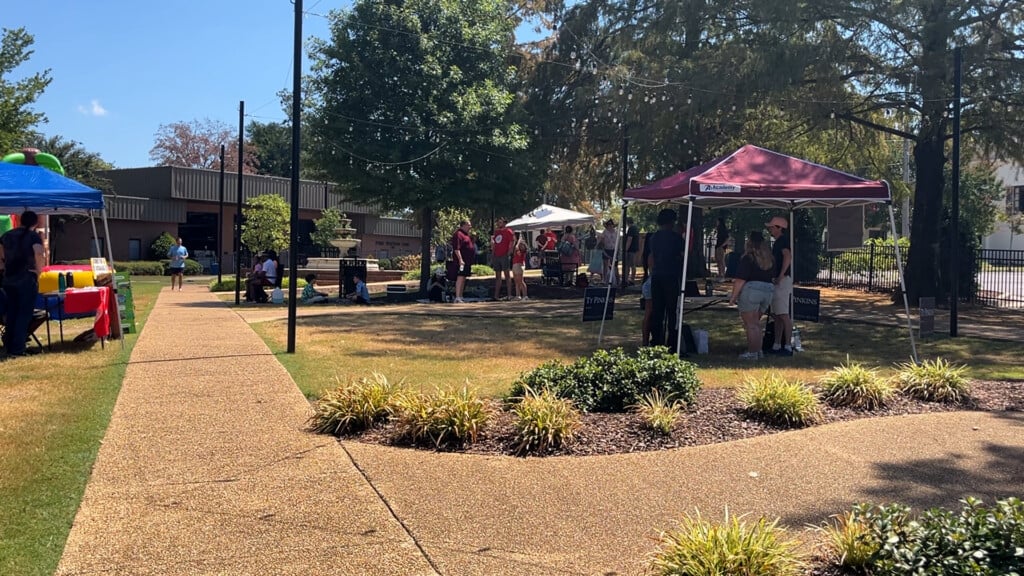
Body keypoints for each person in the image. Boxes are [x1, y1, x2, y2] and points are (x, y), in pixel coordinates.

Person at [0, 210, 45, 357]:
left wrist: (3, 268)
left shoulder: (6, 236)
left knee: (11, 312)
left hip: (9, 278)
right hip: (27, 277)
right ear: (35, 223)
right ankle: (18, 348)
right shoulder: (34, 237)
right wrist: (39, 272)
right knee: (24, 313)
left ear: (20, 221)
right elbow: (38, 254)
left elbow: (1, 256)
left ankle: (8, 344)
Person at [728, 231, 775, 360]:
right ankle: (758, 351)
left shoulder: (748, 257)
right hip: (768, 290)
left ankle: (752, 352)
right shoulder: (769, 259)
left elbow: (740, 279)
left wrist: (733, 297)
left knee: (750, 324)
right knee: (756, 323)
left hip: (752, 290)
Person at [646, 209, 685, 352]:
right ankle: (673, 343)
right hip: (671, 275)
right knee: (672, 311)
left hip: (657, 275)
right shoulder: (676, 238)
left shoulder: (654, 237)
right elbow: (683, 255)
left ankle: (656, 340)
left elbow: (652, 256)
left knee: (657, 310)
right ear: (672, 222)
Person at [766, 215, 794, 356]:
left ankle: (788, 345)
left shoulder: (782, 241)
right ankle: (777, 344)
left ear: (779, 228)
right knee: (777, 315)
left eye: (771, 227)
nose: (769, 229)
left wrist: (781, 275)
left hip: (782, 280)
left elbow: (787, 256)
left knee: (783, 314)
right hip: (778, 279)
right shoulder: (778, 242)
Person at [451, 220, 476, 303]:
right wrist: (460, 259)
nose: (470, 227)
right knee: (460, 277)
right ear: (463, 225)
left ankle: (461, 295)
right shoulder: (458, 234)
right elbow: (456, 248)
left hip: (468, 261)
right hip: (461, 261)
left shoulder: (466, 235)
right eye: (468, 225)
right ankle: (457, 296)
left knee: (464, 277)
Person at [491, 217, 514, 300]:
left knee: (507, 275)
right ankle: (496, 296)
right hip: (496, 256)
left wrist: (509, 253)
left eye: (500, 222)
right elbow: (494, 243)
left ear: (504, 223)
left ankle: (509, 295)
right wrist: (493, 253)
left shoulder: (508, 231)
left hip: (504, 255)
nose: (498, 224)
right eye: (498, 222)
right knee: (498, 276)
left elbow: (511, 242)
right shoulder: (496, 232)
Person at [601, 219, 619, 285]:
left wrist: (617, 249)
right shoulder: (604, 232)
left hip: (614, 250)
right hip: (606, 249)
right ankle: (605, 280)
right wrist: (603, 248)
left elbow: (618, 241)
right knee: (605, 265)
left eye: (611, 225)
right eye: (608, 225)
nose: (610, 226)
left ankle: (617, 280)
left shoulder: (616, 232)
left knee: (615, 266)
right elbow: (602, 241)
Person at [623, 217, 641, 284]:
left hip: (631, 249)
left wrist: (625, 249)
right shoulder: (635, 228)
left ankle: (628, 279)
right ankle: (630, 279)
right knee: (632, 265)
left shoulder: (631, 228)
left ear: (627, 222)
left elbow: (629, 240)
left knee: (629, 264)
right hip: (634, 248)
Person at [511, 235, 529, 300]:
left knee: (521, 281)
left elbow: (516, 247)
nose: (520, 246)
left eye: (522, 245)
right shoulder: (517, 250)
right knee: (516, 281)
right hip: (515, 264)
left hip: (519, 265)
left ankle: (525, 295)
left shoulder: (522, 252)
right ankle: (518, 295)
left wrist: (518, 241)